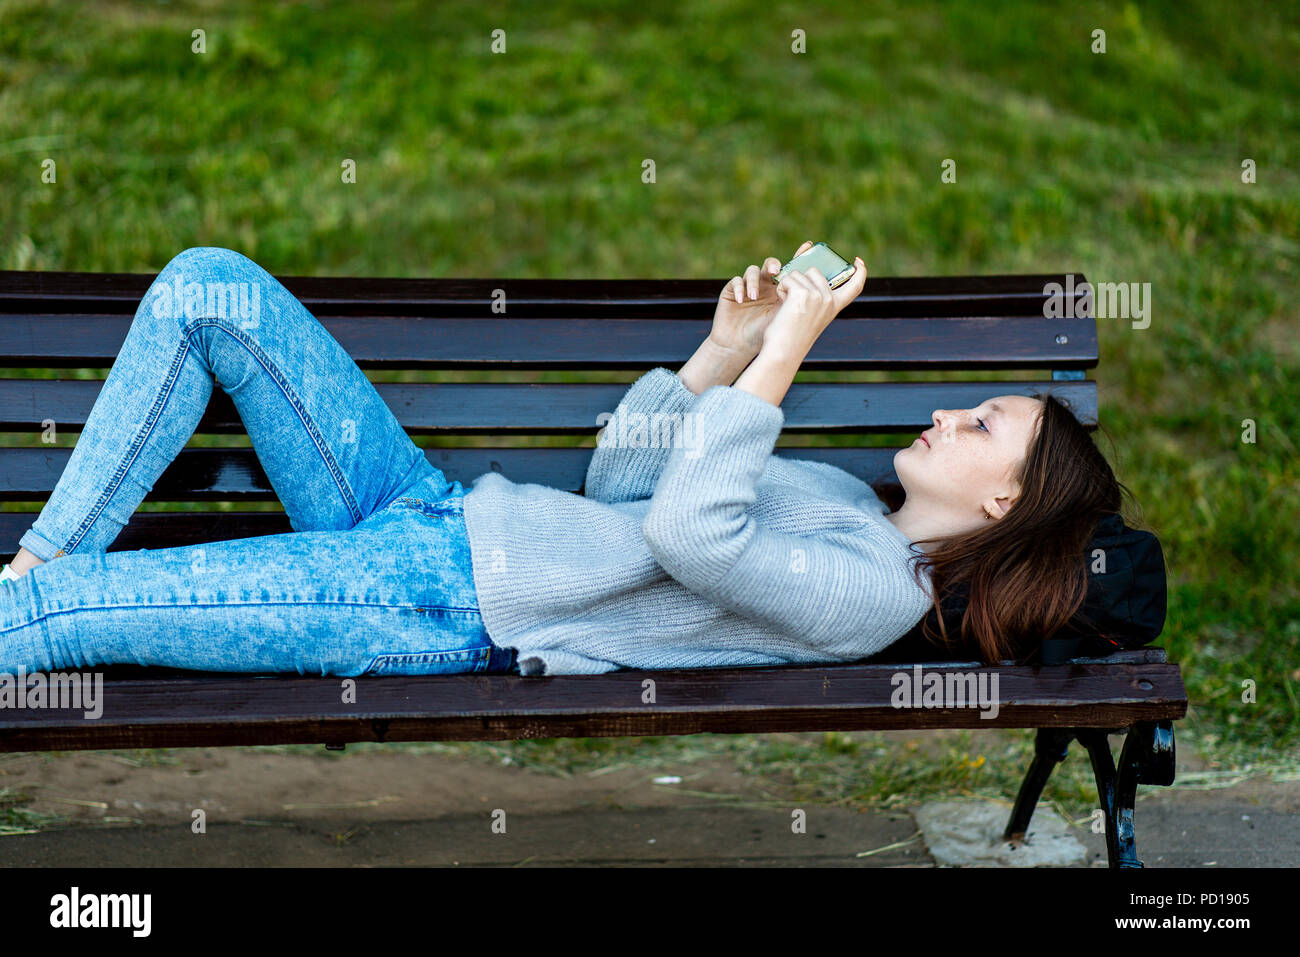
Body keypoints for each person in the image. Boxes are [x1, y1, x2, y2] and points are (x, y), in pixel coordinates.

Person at [0, 243, 1121, 678]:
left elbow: (692, 536)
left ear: (1003, 498)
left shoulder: (869, 594)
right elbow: (625, 495)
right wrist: (717, 355)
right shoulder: (842, 500)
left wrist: (781, 359)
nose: (946, 412)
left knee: (55, 623)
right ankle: (41, 553)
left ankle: (33, 592)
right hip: (424, 510)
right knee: (211, 288)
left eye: (979, 424)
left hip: (442, 603)